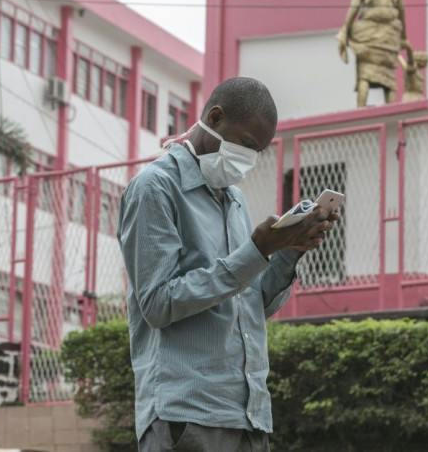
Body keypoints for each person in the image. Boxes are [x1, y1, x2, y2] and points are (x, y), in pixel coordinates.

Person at [117, 77, 339, 452]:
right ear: (214, 118)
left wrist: (287, 249)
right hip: (187, 417)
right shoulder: (155, 188)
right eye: (247, 145)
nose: (249, 159)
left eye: (259, 151)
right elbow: (156, 304)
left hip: (249, 418)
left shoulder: (232, 199)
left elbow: (249, 303)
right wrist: (254, 251)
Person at [337, 0, 410, 107]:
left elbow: (355, 5)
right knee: (389, 80)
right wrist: (404, 36)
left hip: (371, 33)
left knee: (365, 76)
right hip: (388, 34)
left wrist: (345, 29)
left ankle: (361, 112)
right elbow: (401, 7)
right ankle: (391, 112)